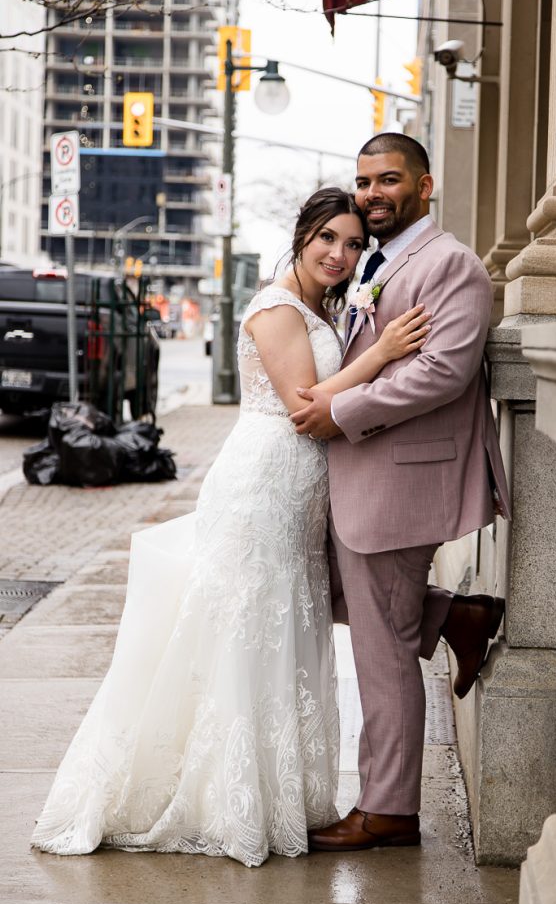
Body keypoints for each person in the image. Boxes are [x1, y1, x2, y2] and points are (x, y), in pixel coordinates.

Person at [30, 186, 431, 868]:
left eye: (353, 244)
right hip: (263, 484)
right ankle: (224, 799)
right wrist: (382, 350)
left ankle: (276, 794)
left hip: (301, 490)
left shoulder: (317, 307)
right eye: (328, 238)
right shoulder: (275, 307)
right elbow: (305, 400)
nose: (340, 253)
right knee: (245, 630)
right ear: (302, 235)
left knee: (286, 627)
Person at [291, 134, 512, 852]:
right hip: (361, 476)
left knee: (381, 652)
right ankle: (453, 617)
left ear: (425, 184)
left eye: (388, 179)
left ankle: (388, 809)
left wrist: (341, 412)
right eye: (362, 181)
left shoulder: (451, 265)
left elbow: (443, 373)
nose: (372, 193)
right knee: (319, 591)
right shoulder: (371, 261)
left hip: (399, 478)